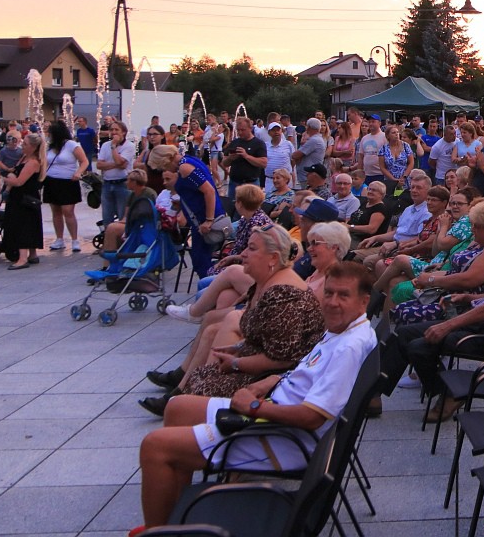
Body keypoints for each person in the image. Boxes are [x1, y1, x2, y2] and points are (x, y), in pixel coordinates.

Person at [134, 260, 375, 530]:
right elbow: (310, 375)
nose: (331, 302)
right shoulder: (346, 330)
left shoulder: (348, 348)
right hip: (276, 416)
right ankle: (178, 518)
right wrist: (273, 380)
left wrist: (254, 407)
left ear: (364, 301)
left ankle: (159, 530)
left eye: (343, 295)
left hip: (282, 439)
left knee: (155, 446)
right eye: (329, 293)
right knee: (177, 408)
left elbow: (311, 417)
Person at [141, 223, 325, 415]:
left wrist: (236, 363)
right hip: (264, 368)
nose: (243, 253)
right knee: (199, 377)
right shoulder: (268, 284)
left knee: (191, 396)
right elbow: (269, 336)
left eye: (252, 248)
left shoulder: (283, 295)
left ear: (273, 258)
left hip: (274, 381)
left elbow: (282, 360)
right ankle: (179, 396)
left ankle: (182, 409)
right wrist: (238, 347)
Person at [379, 212, 484, 423]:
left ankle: (449, 394)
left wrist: (447, 326)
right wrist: (468, 296)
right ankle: (376, 393)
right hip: (478, 322)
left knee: (419, 346)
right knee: (403, 333)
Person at [164, 184, 274, 323]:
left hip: (245, 265)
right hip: (237, 259)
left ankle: (198, 313)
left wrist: (234, 257)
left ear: (240, 203)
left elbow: (254, 253)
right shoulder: (245, 219)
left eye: (236, 200)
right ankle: (200, 315)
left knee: (208, 280)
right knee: (206, 279)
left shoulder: (257, 223)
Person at [146, 144, 224, 278]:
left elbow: (209, 190)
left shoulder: (184, 168)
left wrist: (209, 220)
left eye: (162, 166)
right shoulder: (189, 160)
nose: (164, 170)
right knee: (199, 258)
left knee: (201, 260)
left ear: (167, 159)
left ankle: (210, 291)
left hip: (203, 219)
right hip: (198, 217)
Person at [44, 120, 90, 252]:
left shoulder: (71, 145)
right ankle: (59, 239)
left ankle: (75, 240)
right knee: (56, 211)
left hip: (68, 181)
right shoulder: (50, 146)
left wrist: (78, 173)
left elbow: (84, 161)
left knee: (68, 211)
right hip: (52, 181)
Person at [2, 133, 46, 268]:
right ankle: (32, 254)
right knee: (28, 224)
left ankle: (22, 258)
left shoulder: (33, 162)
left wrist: (2, 179)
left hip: (24, 198)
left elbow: (19, 181)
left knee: (22, 225)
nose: (22, 145)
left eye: (25, 144)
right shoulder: (24, 158)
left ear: (33, 147)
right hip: (20, 197)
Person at [96, 170, 157, 257]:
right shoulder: (131, 195)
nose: (126, 183)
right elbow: (126, 216)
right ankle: (111, 258)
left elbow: (153, 213)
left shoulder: (149, 194)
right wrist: (119, 222)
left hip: (144, 225)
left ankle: (110, 260)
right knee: (111, 227)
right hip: (132, 223)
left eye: (128, 180)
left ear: (134, 182)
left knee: (112, 229)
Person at [97, 120, 135, 228]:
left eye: (116, 130)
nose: (113, 132)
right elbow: (99, 165)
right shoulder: (105, 145)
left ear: (123, 132)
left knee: (122, 215)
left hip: (122, 183)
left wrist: (113, 146)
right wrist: (117, 164)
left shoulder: (129, 146)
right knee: (107, 216)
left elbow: (121, 163)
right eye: (111, 130)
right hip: (107, 183)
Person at [378, 124, 415, 197]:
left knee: (404, 199)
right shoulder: (383, 149)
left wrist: (404, 177)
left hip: (404, 179)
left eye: (397, 132)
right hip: (390, 179)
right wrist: (393, 179)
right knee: (392, 199)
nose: (396, 134)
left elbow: (411, 162)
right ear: (388, 136)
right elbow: (382, 167)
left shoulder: (405, 146)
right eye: (393, 133)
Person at [292, 118, 327, 189]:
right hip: (307, 176)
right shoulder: (316, 139)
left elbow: (295, 155)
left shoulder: (314, 140)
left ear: (309, 127)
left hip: (308, 177)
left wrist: (297, 156)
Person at [357, 114, 387, 186]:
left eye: (373, 122)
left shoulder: (385, 137)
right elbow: (361, 156)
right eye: (369, 122)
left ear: (379, 123)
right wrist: (359, 171)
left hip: (380, 173)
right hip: (367, 174)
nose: (371, 124)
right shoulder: (364, 138)